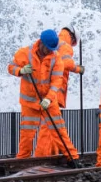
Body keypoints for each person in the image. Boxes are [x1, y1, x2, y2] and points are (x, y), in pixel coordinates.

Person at [7, 29, 80, 168]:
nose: (49, 51)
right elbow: (11, 67)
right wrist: (20, 71)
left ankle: (72, 158)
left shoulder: (56, 58)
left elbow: (57, 81)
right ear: (41, 43)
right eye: (47, 48)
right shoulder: (25, 53)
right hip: (29, 102)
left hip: (48, 102)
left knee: (59, 130)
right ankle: (22, 161)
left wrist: (49, 99)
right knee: (27, 135)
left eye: (51, 49)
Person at [37, 25, 84, 156]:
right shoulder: (65, 45)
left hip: (46, 88)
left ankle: (52, 153)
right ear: (72, 37)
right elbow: (66, 64)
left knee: (51, 126)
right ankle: (42, 157)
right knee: (49, 125)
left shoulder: (56, 41)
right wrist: (78, 68)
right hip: (55, 90)